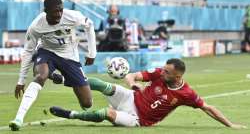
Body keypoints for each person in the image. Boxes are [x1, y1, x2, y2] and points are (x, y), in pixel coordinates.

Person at [49, 58, 246, 129]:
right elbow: (132, 76)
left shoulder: (186, 93)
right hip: (131, 97)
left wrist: (230, 125)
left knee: (105, 114)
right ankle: (65, 80)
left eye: (168, 72)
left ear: (178, 76)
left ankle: (70, 114)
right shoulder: (159, 74)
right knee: (102, 84)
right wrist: (134, 84)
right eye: (164, 69)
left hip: (138, 118)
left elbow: (207, 108)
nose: (163, 72)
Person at [9, 0, 97, 131]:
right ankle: (18, 118)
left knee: (87, 103)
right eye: (55, 11)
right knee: (41, 75)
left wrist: (92, 53)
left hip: (70, 55)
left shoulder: (71, 16)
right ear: (45, 11)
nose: (59, 14)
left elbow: (89, 25)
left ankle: (61, 78)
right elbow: (27, 52)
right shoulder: (36, 26)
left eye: (61, 10)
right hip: (47, 52)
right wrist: (21, 80)